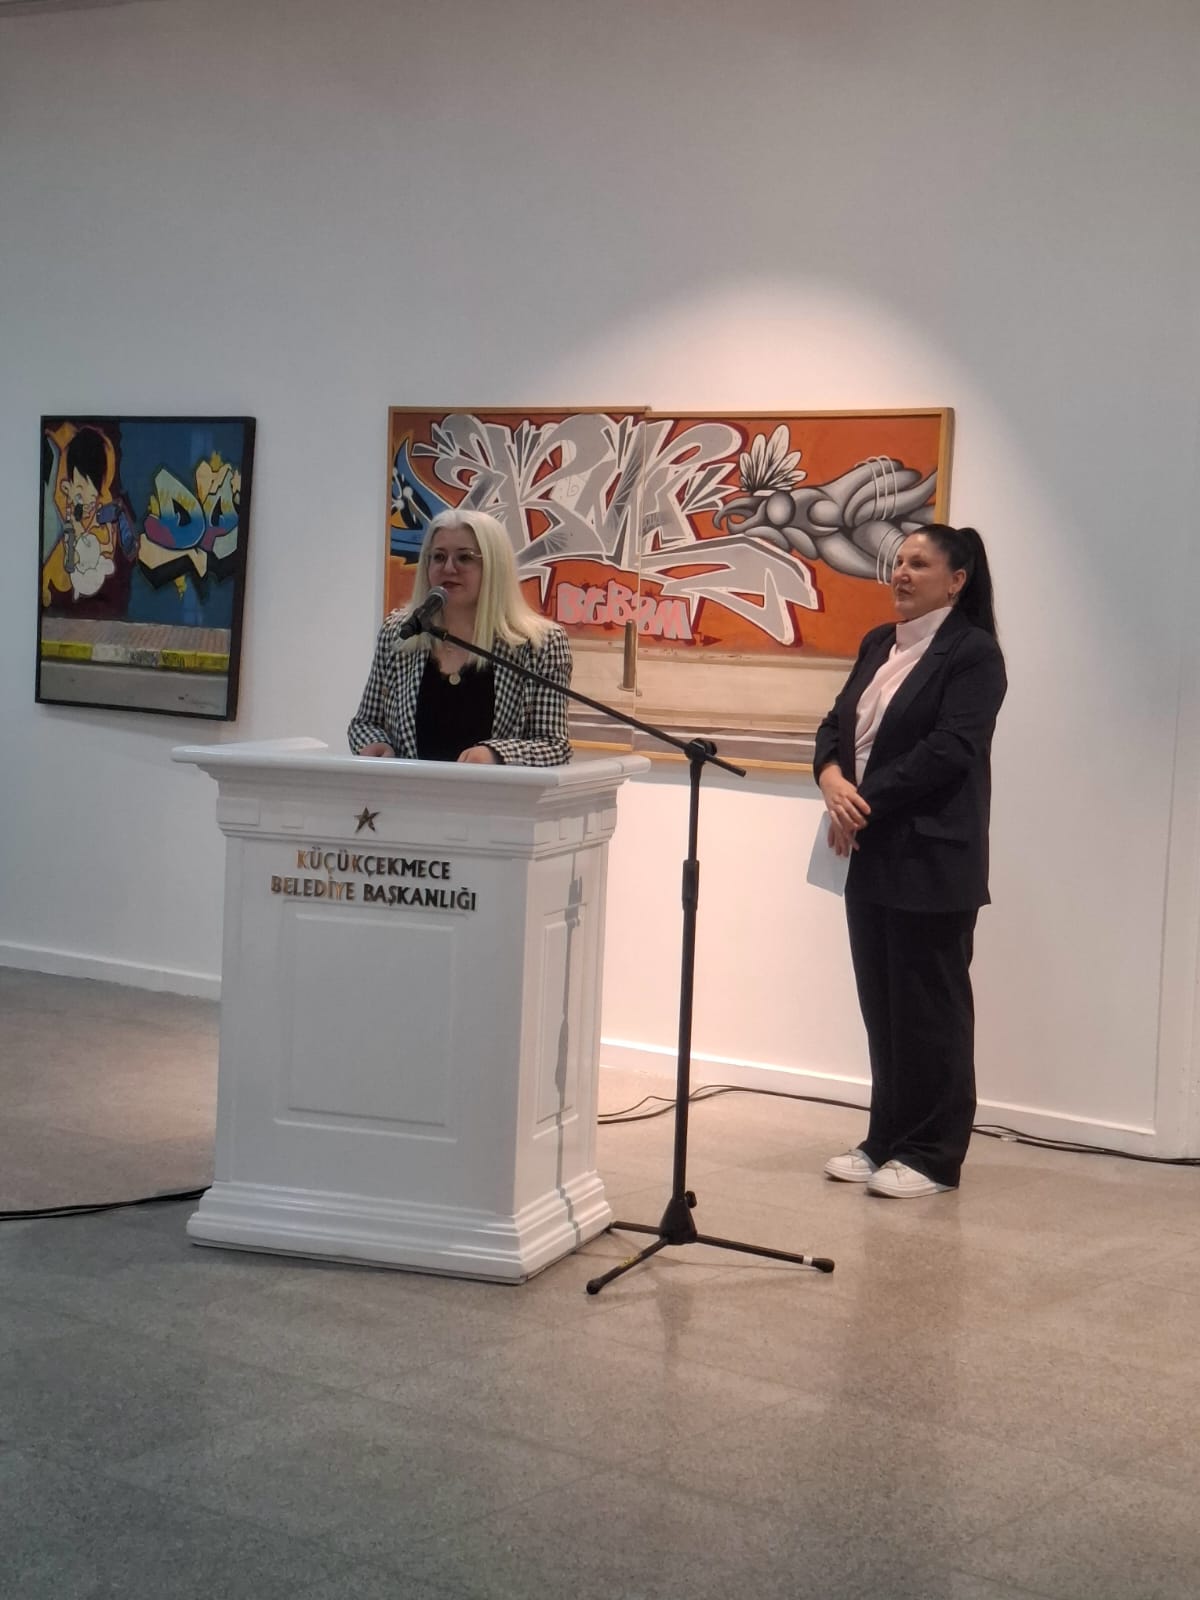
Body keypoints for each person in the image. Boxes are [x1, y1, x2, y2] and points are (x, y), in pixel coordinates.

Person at [813, 523, 1006, 1198]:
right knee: (885, 1005)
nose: (901, 572)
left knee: (931, 1009)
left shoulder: (973, 654)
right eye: (898, 561)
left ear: (957, 581)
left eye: (919, 564)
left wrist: (860, 799)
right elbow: (834, 724)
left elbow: (950, 749)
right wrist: (830, 778)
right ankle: (885, 1140)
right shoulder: (878, 643)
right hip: (869, 851)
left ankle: (933, 1154)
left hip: (932, 858)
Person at [348, 508, 571, 766]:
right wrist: (375, 743)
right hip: (410, 791)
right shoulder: (399, 631)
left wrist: (497, 754)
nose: (449, 568)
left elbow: (554, 746)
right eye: (439, 557)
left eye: (465, 558)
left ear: (494, 567)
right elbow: (365, 723)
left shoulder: (541, 643)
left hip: (492, 792)